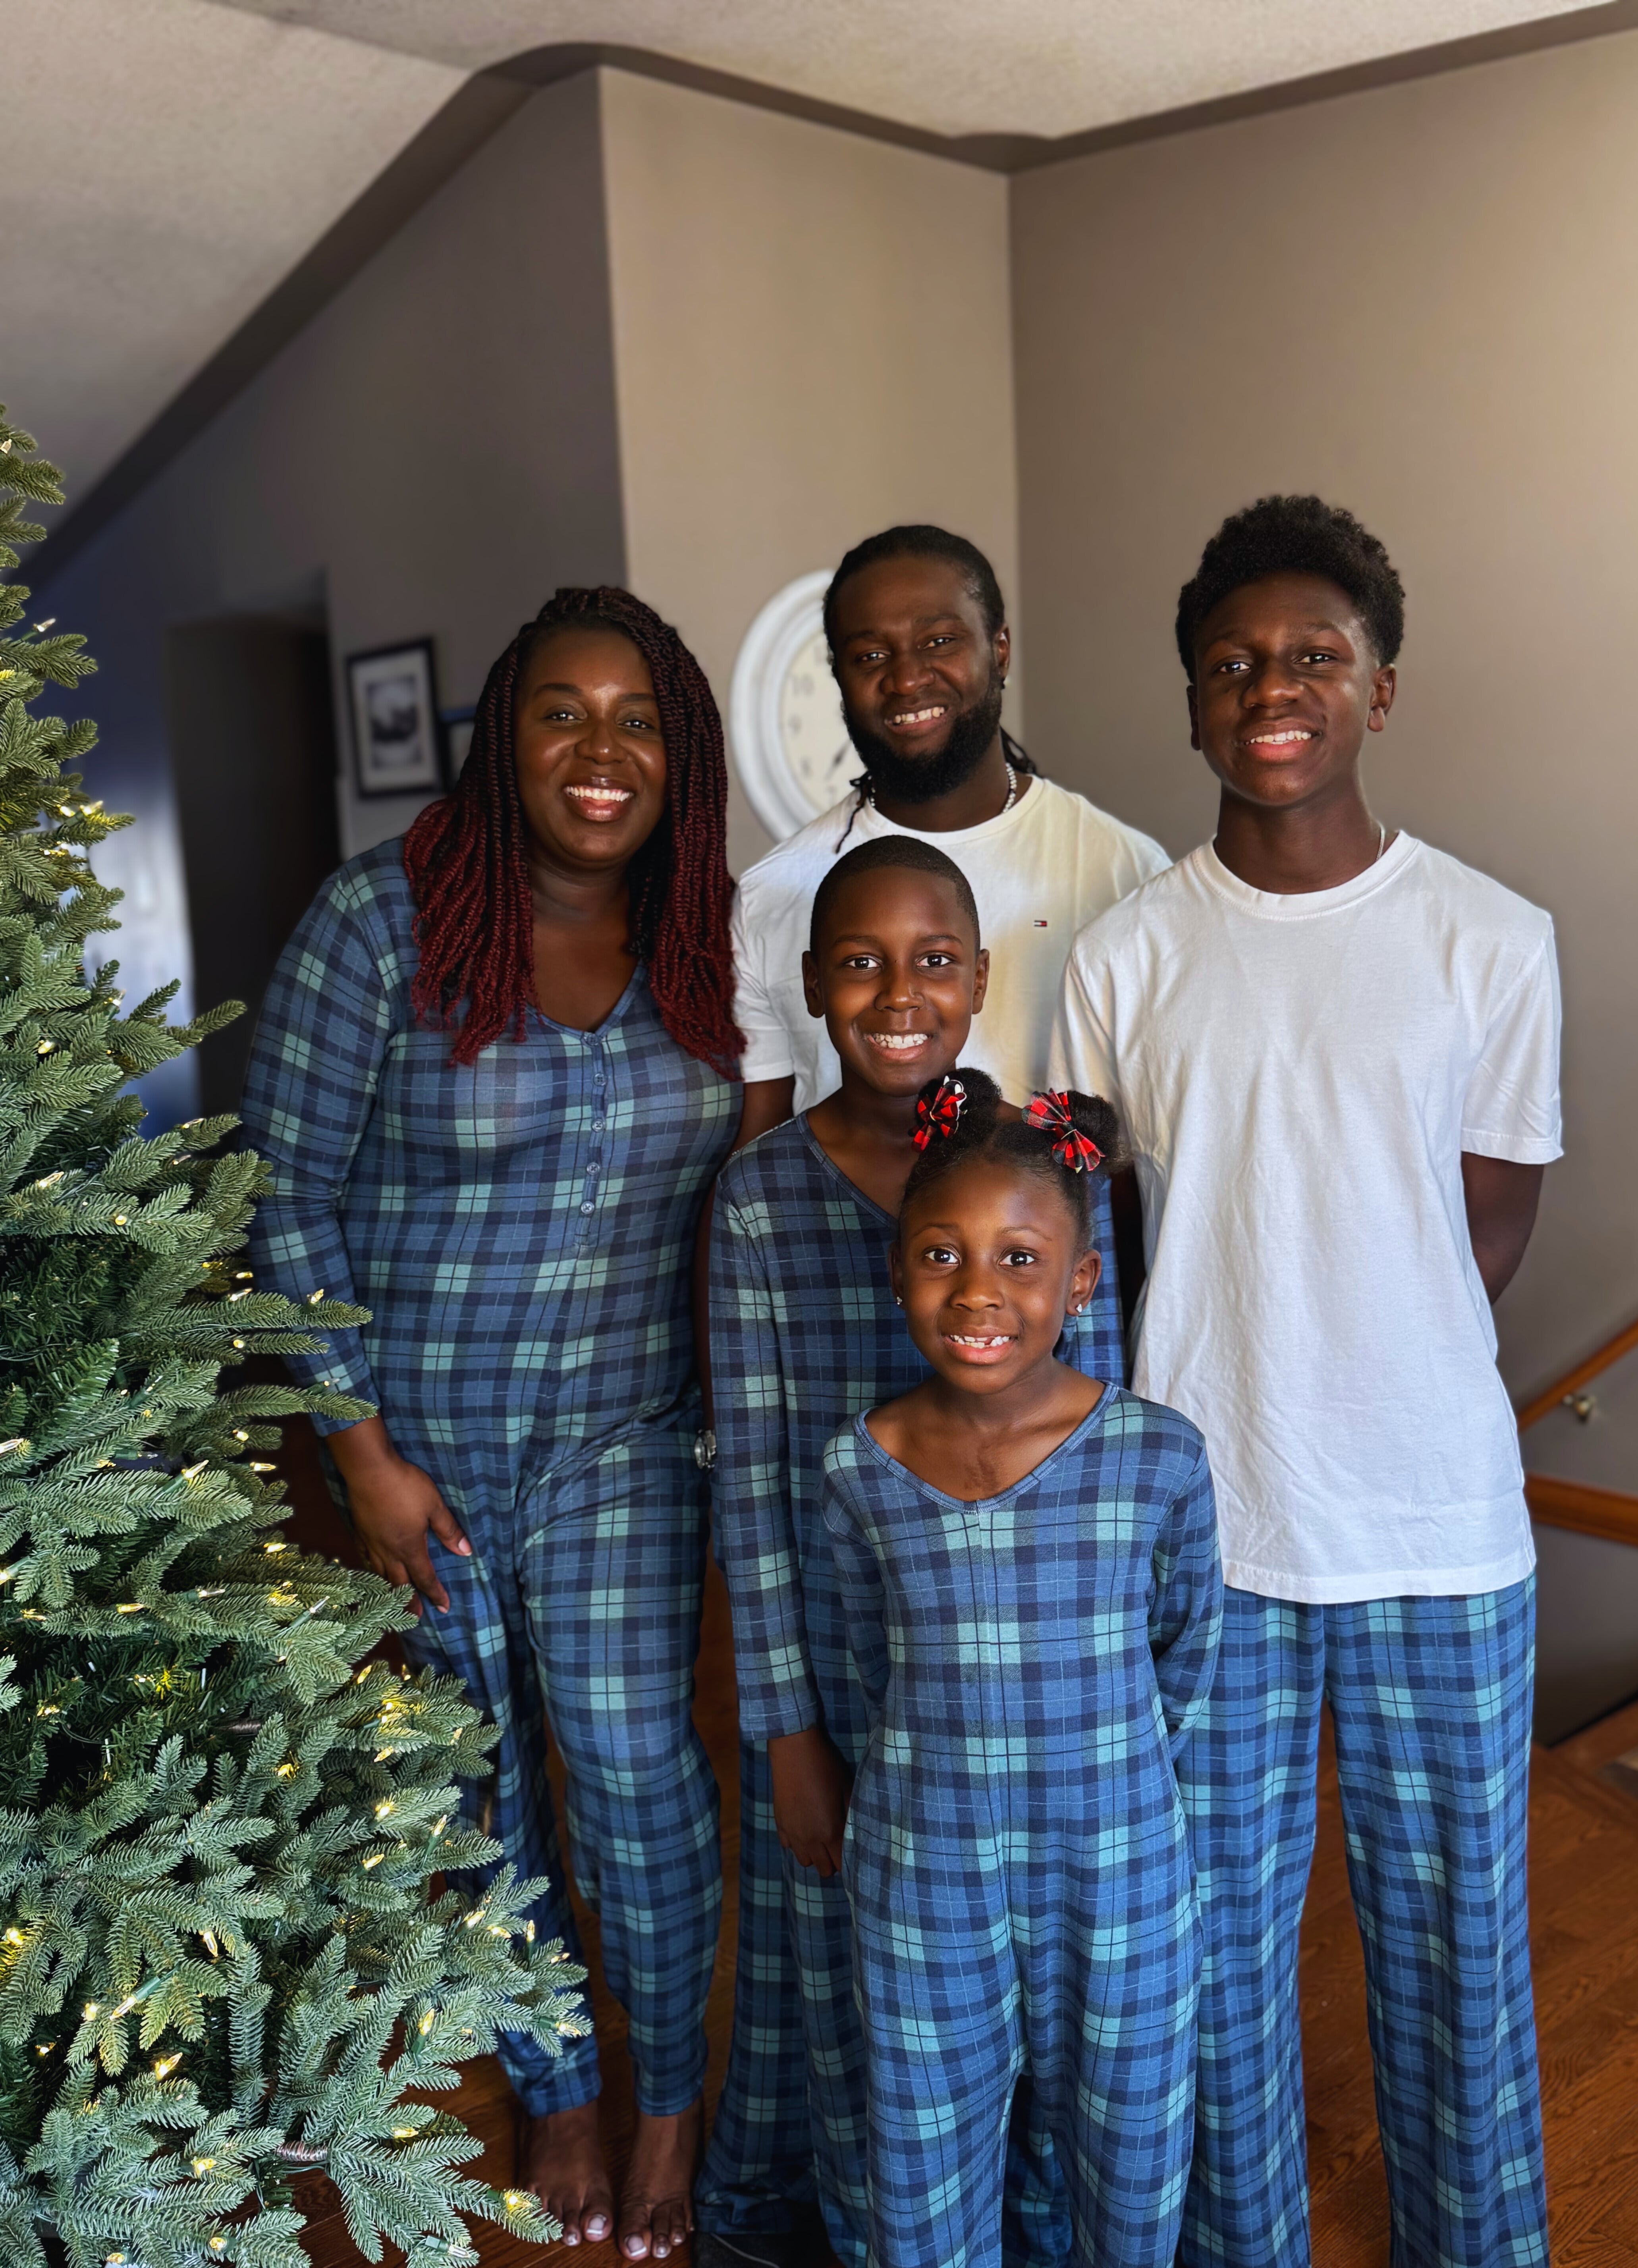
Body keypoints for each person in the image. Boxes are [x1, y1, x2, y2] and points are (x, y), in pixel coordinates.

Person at [1051, 496, 1562, 2267]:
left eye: (1314, 658)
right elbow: (1093, 1244)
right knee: (1212, 1967)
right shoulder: (1119, 959)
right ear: (1193, 704)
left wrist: (1362, 1338)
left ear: (1382, 688)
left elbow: (1487, 1225)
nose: (1273, 687)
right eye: (1233, 664)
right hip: (1215, 1537)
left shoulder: (1493, 940)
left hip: (1439, 1531)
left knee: (1456, 1957)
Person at [242, 587, 745, 2262]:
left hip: (623, 1445)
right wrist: (362, 1453)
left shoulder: (709, 935)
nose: (601, 754)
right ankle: (559, 2081)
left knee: (634, 1775)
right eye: (561, 712)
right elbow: (286, 1196)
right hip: (425, 1450)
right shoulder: (379, 925)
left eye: (640, 722)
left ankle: (668, 2095)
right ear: (500, 734)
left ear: (680, 755)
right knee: (478, 1790)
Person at [696, 843, 1125, 2268]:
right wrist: (786, 1731)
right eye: (861, 960)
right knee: (861, 1994)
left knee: (1048, 2006)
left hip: (1031, 1683)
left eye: (934, 958)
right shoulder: (761, 1200)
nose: (899, 991)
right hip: (844, 1666)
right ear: (813, 986)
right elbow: (754, 1489)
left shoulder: (1053, 1171)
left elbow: (1107, 1447)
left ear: (981, 979)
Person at [820, 1085, 1221, 2267]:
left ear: (1081, 1284)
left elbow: (1185, 1656)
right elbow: (855, 1671)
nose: (978, 1290)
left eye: (1019, 1258)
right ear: (896, 1277)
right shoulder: (860, 1465)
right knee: (921, 2172)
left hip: (1122, 1884)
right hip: (921, 1884)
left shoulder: (1158, 1457)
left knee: (1128, 2166)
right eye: (940, 1255)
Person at [727, 525, 1169, 1157]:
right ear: (840, 677)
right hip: (834, 1254)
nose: (907, 679)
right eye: (871, 655)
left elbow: (1145, 1153)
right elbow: (762, 1152)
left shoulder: (1122, 870)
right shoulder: (775, 892)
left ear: (1001, 650)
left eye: (939, 641)